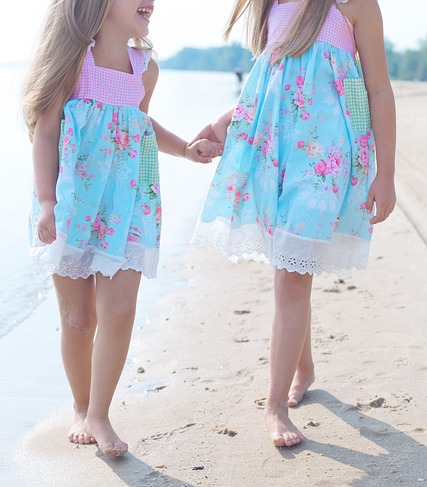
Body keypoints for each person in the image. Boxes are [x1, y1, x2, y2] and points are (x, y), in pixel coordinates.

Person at [192, 0, 396, 447]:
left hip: (325, 162)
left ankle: (275, 407)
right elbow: (269, 85)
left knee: (290, 278)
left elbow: (378, 89)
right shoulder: (275, 7)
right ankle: (303, 368)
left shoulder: (354, 5)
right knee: (290, 268)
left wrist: (386, 173)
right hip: (277, 156)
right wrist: (220, 126)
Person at [22, 0, 222, 457]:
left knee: (119, 310)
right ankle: (80, 405)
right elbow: (46, 130)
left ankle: (100, 413)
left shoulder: (144, 68)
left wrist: (186, 150)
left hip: (129, 202)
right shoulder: (74, 59)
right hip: (73, 204)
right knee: (78, 320)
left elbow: (140, 122)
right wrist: (48, 202)